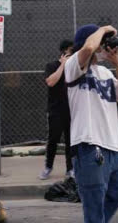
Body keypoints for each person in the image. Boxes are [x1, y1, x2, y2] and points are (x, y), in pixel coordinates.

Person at [65, 24, 118, 223]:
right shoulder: (73, 65)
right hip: (88, 145)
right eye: (102, 44)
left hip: (110, 145)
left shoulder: (105, 72)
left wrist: (117, 64)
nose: (104, 47)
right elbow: (86, 50)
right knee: (93, 201)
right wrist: (102, 30)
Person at [39, 40, 74, 180]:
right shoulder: (52, 65)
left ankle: (70, 168)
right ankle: (48, 167)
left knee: (71, 140)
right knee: (53, 139)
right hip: (56, 110)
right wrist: (63, 65)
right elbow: (50, 82)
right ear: (64, 51)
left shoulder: (75, 67)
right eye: (71, 51)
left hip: (72, 109)